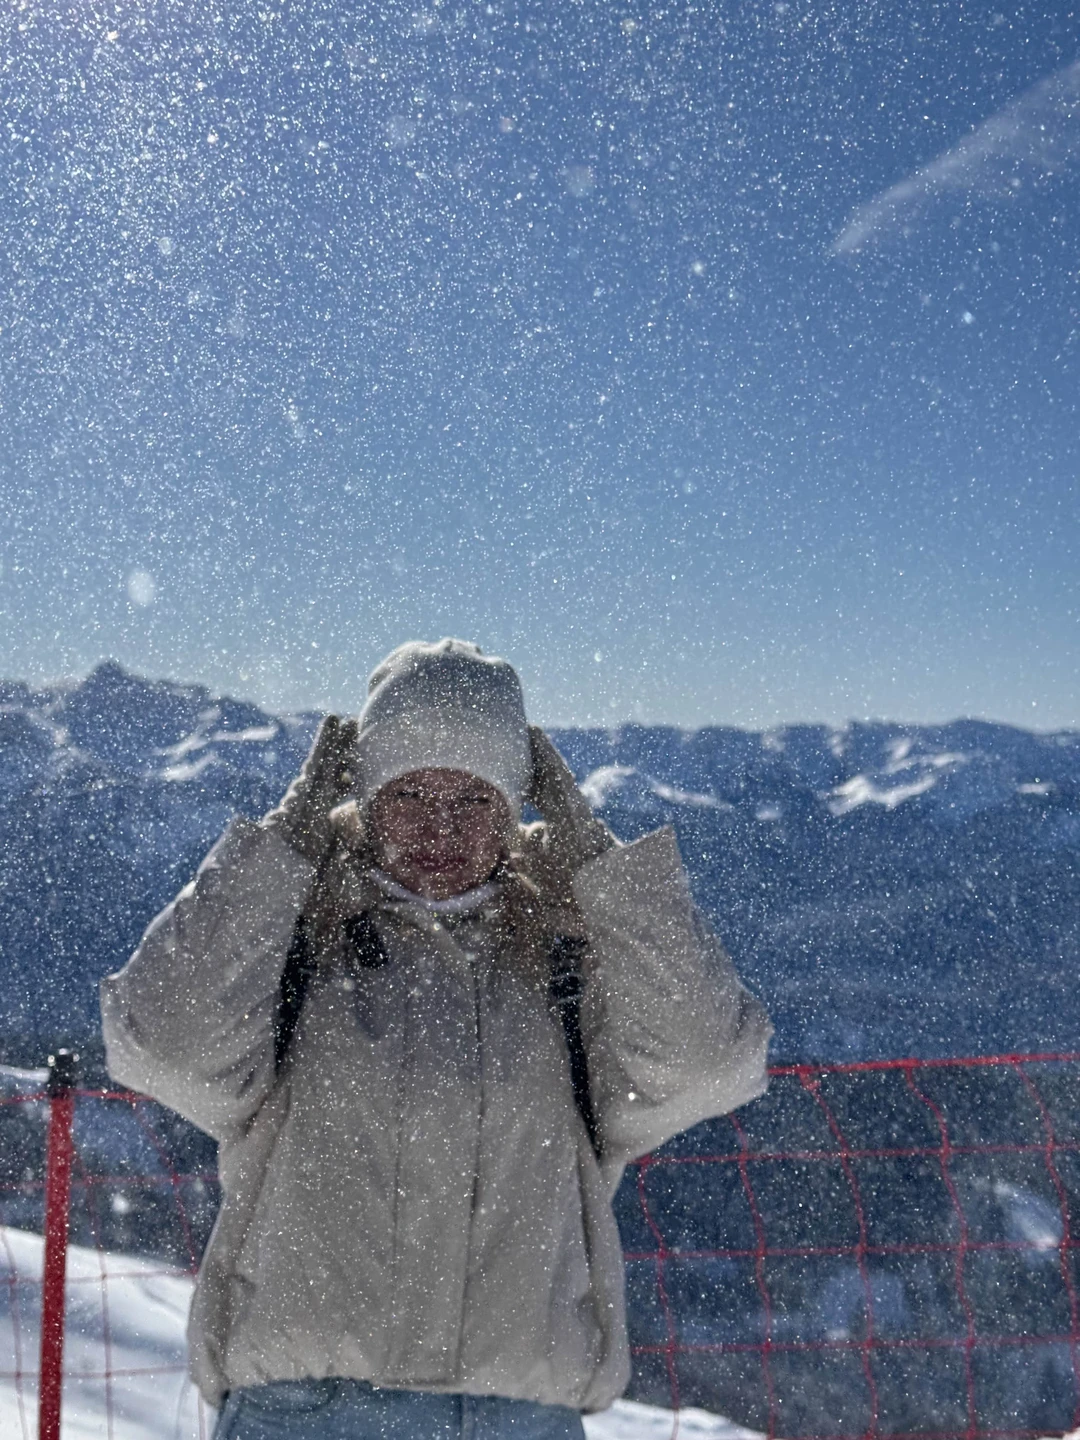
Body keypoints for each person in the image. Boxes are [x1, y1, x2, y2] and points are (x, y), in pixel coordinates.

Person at [101, 639, 772, 1440]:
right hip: (307, 1414)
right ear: (365, 800)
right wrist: (284, 846)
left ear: (515, 808)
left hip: (518, 1419)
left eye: (476, 798)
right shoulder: (299, 935)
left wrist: (598, 864)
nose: (440, 826)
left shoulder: (566, 954)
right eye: (410, 793)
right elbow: (160, 1045)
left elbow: (710, 1066)